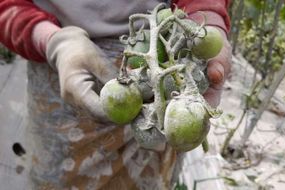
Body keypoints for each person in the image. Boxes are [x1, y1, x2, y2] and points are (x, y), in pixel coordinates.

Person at [0, 0, 232, 189]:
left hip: (157, 71)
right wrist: (51, 40)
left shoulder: (168, 95)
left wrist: (207, 15)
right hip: (62, 72)